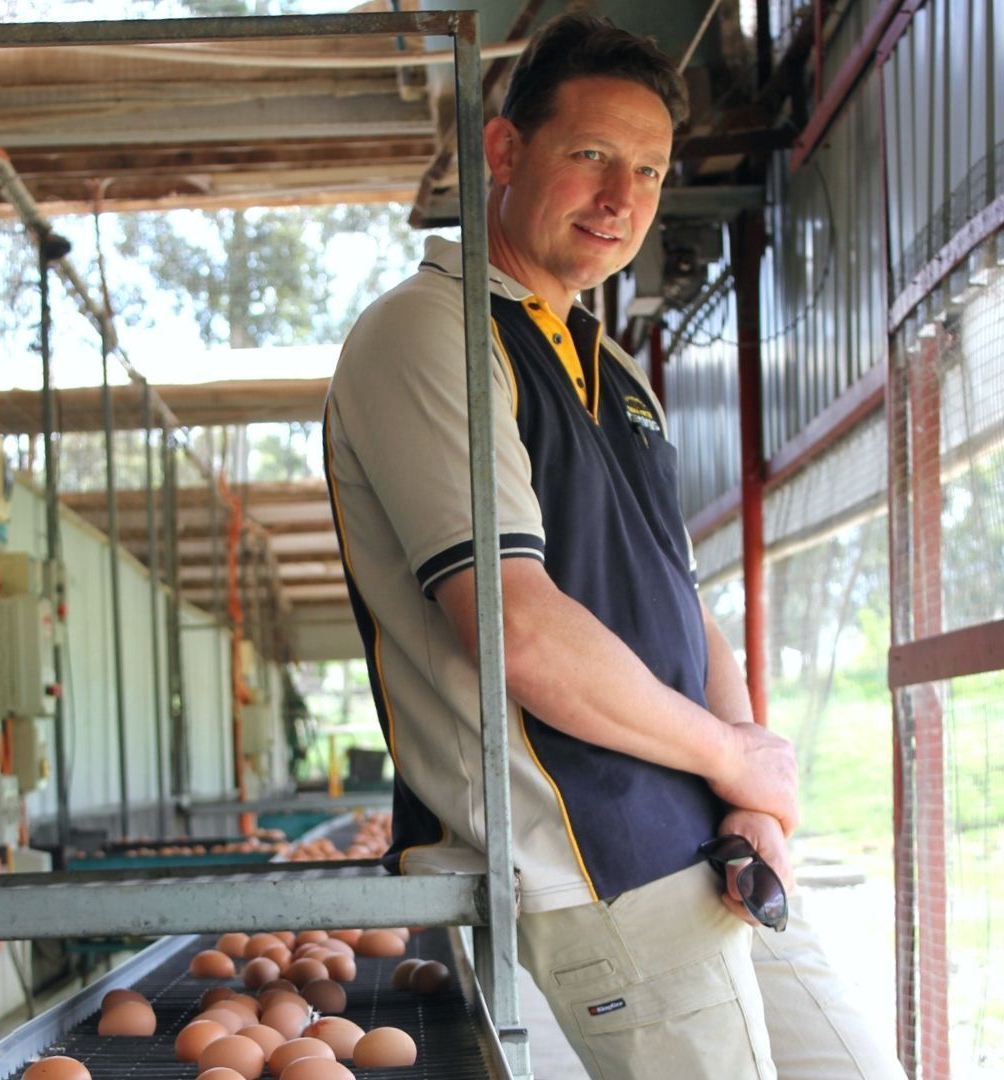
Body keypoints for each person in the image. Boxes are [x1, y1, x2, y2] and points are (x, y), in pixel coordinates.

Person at [325, 11, 905, 1079]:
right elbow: (519, 629)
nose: (621, 198)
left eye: (646, 169)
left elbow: (685, 610)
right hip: (589, 857)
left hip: (704, 842)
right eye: (591, 155)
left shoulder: (616, 371)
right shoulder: (431, 333)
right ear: (505, 152)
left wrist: (751, 796)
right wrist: (732, 755)